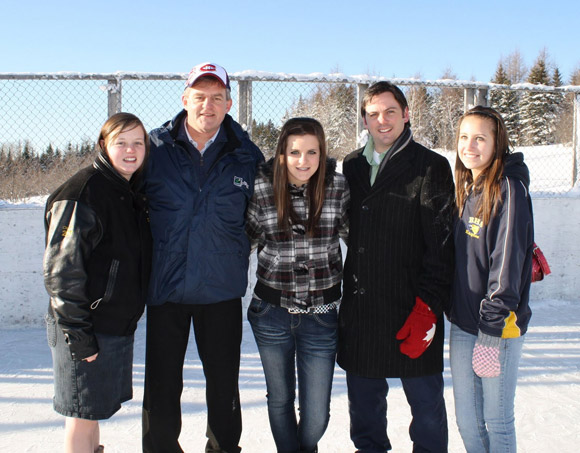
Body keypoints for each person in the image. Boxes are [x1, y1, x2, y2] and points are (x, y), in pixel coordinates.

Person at [141, 62, 264, 453]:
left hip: (220, 289)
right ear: (184, 99)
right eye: (199, 97)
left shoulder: (247, 154)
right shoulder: (153, 148)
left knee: (224, 384)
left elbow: (261, 218)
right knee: (161, 387)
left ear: (229, 103)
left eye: (216, 98)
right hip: (166, 288)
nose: (207, 106)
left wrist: (231, 251)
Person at [337, 81, 455, 452]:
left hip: (412, 308)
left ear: (406, 115)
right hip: (363, 310)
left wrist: (427, 308)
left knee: (427, 415)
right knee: (366, 416)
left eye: (390, 111)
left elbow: (442, 247)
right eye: (373, 113)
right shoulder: (353, 164)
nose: (382, 120)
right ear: (365, 119)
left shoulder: (430, 166)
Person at [43, 112, 152, 453]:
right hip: (85, 325)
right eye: (121, 142)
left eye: (138, 142)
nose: (131, 150)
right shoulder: (84, 192)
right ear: (104, 145)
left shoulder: (125, 190)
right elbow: (62, 272)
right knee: (79, 415)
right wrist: (79, 335)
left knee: (89, 414)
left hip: (110, 322)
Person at [246, 117, 350, 453]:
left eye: (311, 152)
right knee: (280, 399)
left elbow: (360, 237)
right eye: (294, 152)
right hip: (271, 312)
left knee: (317, 413)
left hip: (321, 315)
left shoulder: (336, 188)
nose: (302, 161)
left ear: (322, 154)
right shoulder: (262, 187)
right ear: (281, 154)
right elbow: (242, 238)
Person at [448, 106, 534, 453]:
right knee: (468, 423)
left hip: (497, 328)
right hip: (463, 325)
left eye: (480, 138)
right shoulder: (468, 187)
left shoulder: (508, 188)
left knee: (497, 421)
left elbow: (507, 263)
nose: (470, 145)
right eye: (464, 137)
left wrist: (491, 330)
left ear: (498, 143)